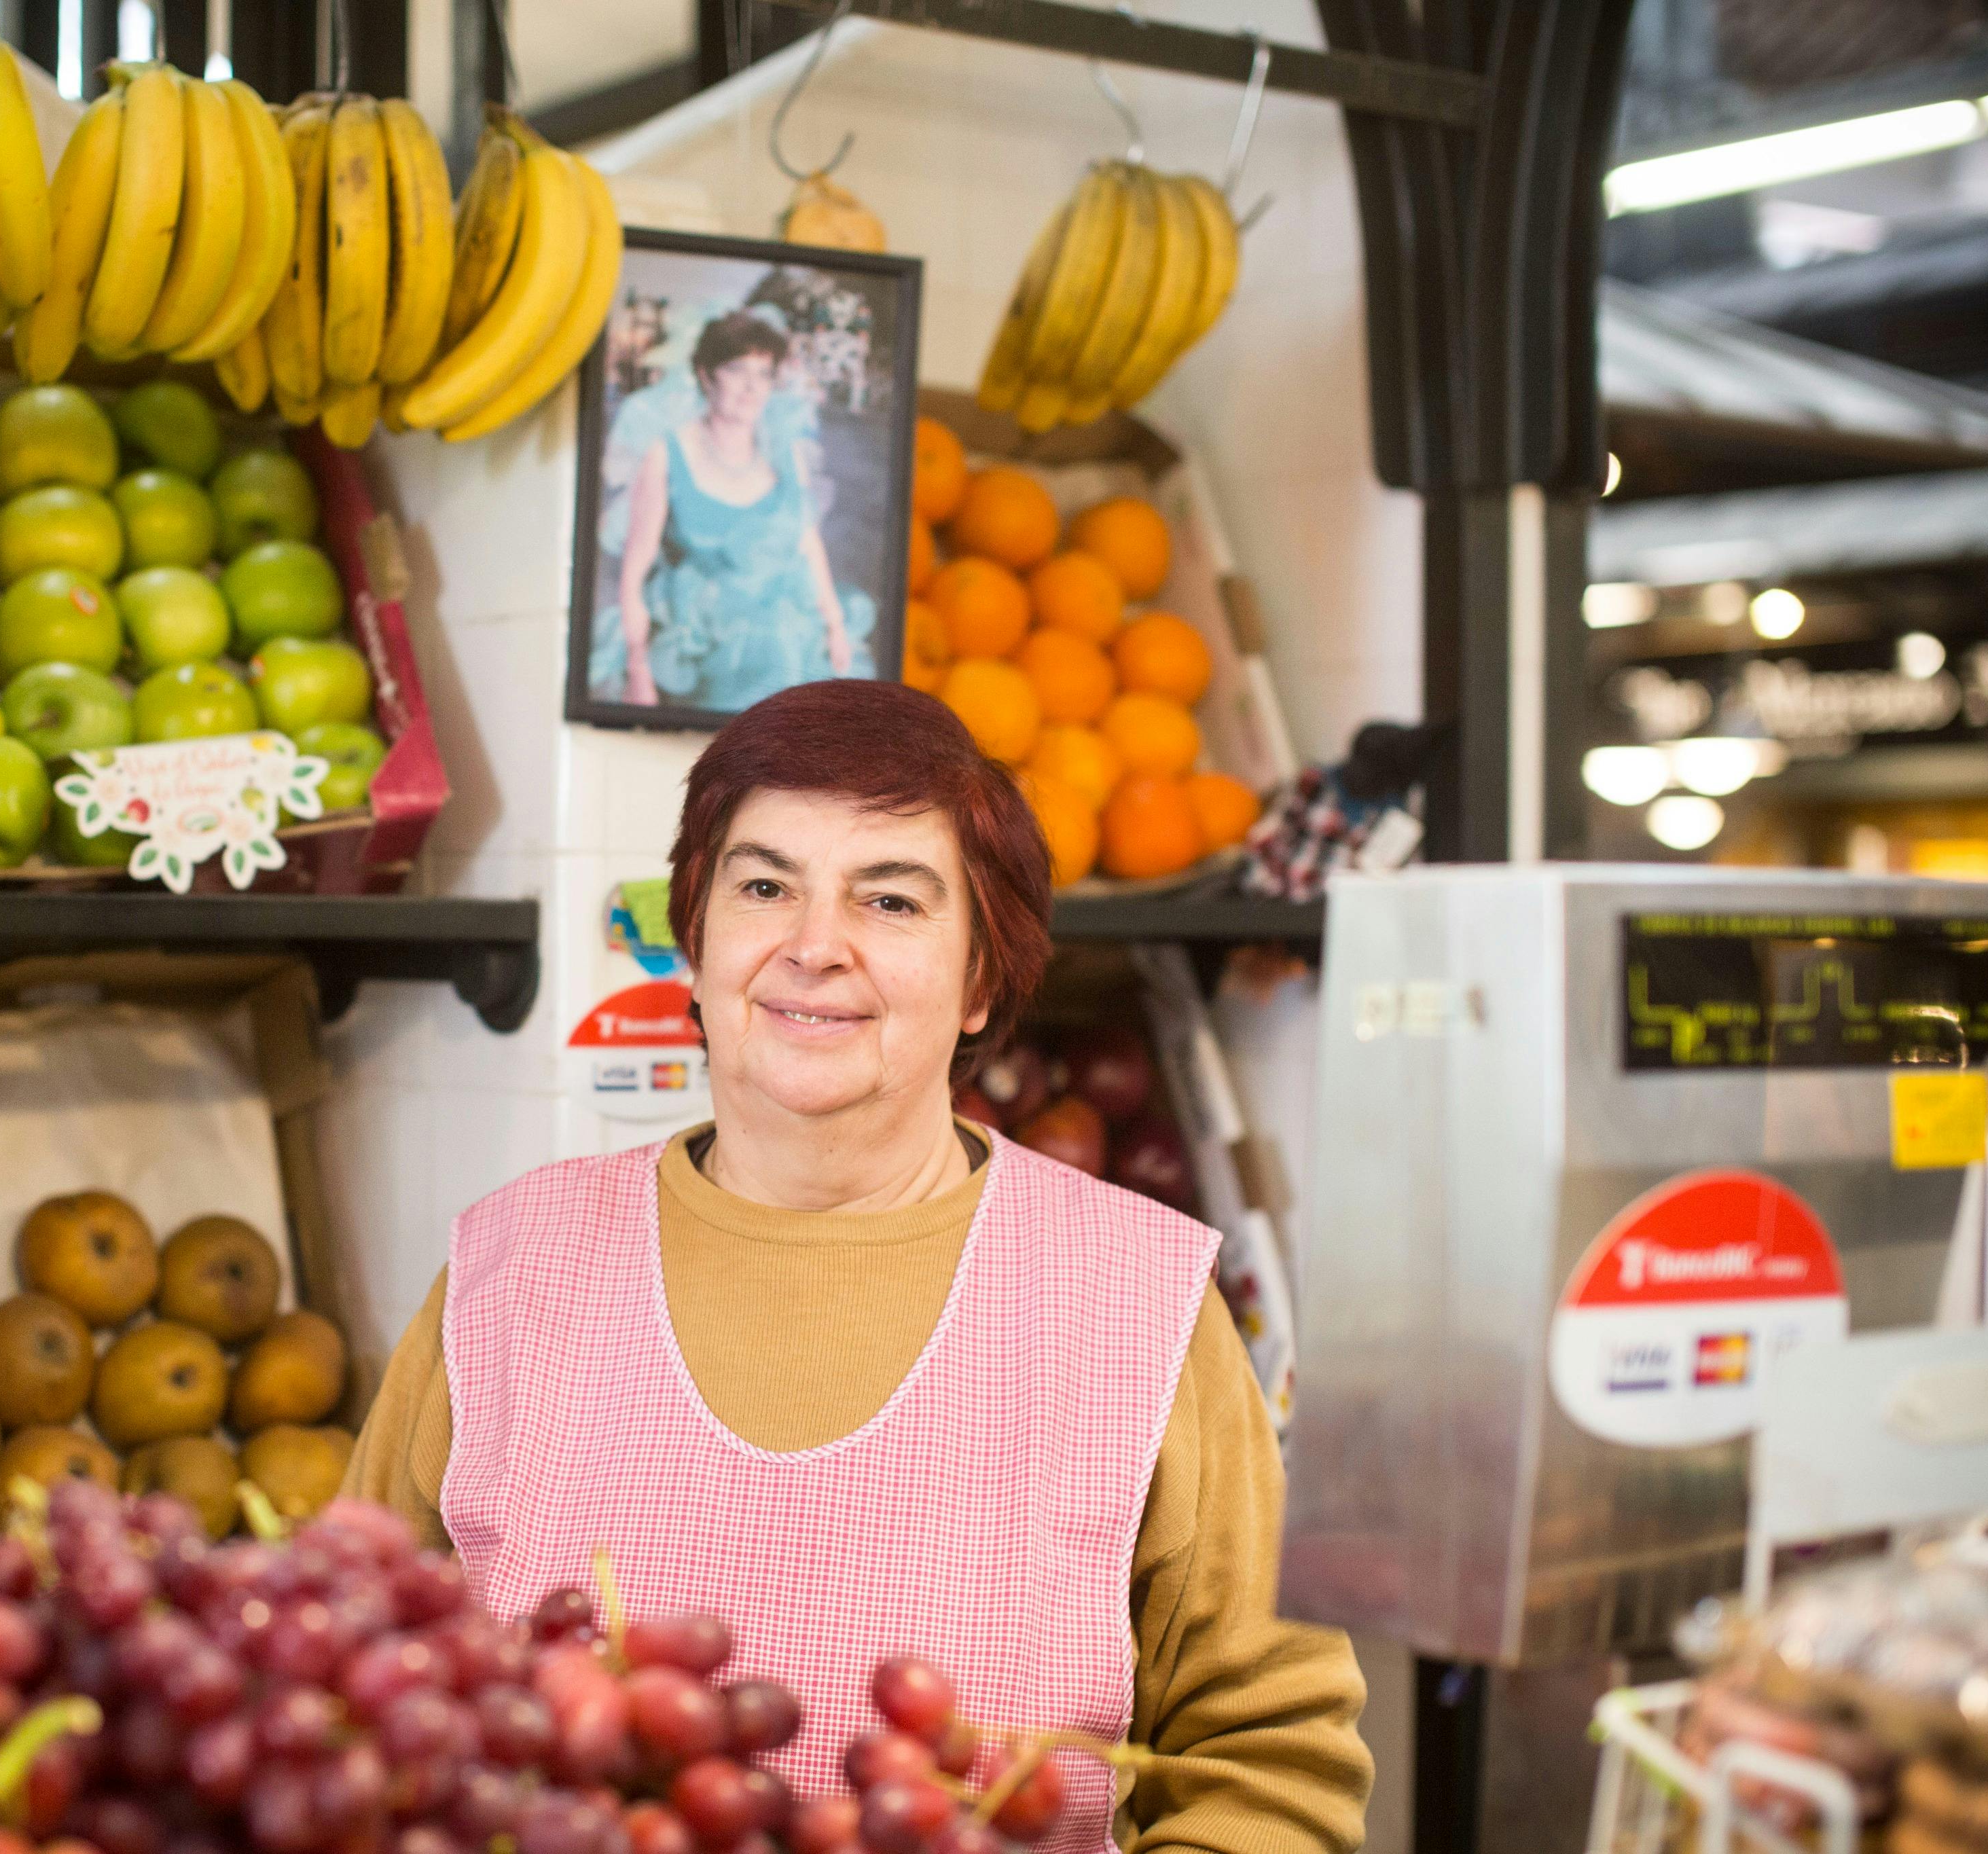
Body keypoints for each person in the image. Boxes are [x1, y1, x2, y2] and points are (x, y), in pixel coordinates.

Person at [345, 679, 1373, 1853]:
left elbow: (1268, 1758)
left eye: (889, 900)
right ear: (696, 938)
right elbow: (357, 1700)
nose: (814, 946)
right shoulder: (508, 1276)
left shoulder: (1136, 1302)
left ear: (984, 979)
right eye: (765, 886)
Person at [601, 310, 872, 711]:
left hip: (792, 639)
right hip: (705, 648)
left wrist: (834, 626)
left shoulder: (785, 453)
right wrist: (639, 670)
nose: (752, 388)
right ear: (705, 374)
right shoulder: (668, 454)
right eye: (737, 370)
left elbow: (808, 545)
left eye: (764, 374)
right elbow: (633, 574)